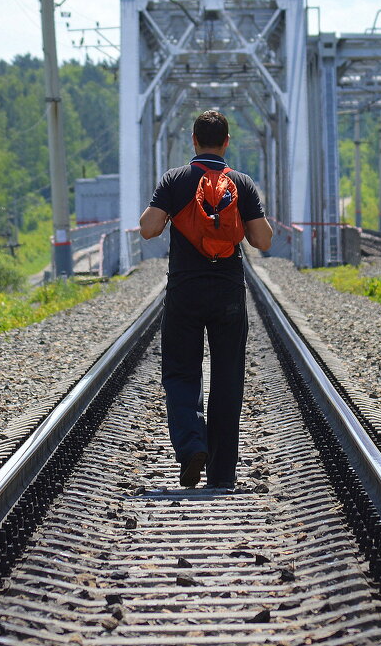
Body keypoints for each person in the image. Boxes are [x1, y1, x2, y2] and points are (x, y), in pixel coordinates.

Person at [139, 110, 273, 489]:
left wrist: (170, 215)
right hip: (228, 289)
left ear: (193, 141)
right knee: (228, 377)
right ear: (226, 142)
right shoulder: (241, 184)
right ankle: (222, 473)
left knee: (181, 371)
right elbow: (263, 241)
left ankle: (191, 443)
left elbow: (148, 229)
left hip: (185, 290)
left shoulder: (176, 179)